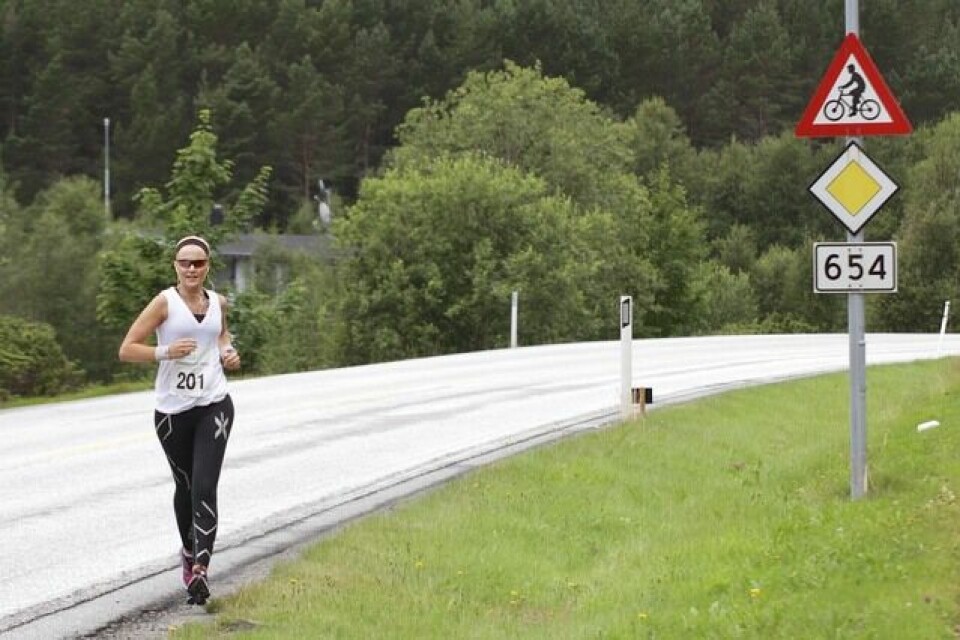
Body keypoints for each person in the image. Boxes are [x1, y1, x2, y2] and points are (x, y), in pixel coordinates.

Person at [119, 235, 241, 605]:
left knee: (205, 484)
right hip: (172, 411)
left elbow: (220, 335)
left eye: (199, 263)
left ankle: (201, 570)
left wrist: (228, 351)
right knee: (185, 485)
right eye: (185, 263)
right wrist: (165, 351)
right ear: (175, 266)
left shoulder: (218, 302)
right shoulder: (164, 303)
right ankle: (188, 553)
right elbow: (127, 349)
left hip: (214, 404)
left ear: (207, 267)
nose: (192, 269)